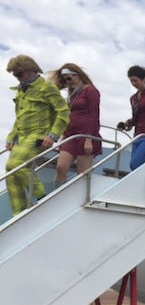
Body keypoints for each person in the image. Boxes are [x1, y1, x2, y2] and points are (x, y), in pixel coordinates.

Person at [5, 55, 70, 215]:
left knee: (15, 165)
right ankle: (18, 214)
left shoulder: (47, 88)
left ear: (32, 70)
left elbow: (63, 112)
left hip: (38, 136)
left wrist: (53, 135)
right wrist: (11, 137)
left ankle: (42, 198)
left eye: (19, 74)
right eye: (14, 75)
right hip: (21, 136)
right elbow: (20, 117)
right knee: (11, 174)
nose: (17, 78)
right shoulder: (21, 91)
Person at [50, 63, 102, 186]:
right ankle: (57, 194)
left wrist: (89, 139)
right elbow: (69, 116)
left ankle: (78, 198)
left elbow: (94, 115)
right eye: (65, 80)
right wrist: (64, 135)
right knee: (61, 167)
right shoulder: (73, 95)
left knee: (82, 174)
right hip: (71, 136)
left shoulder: (90, 90)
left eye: (69, 78)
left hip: (86, 136)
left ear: (78, 75)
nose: (68, 82)